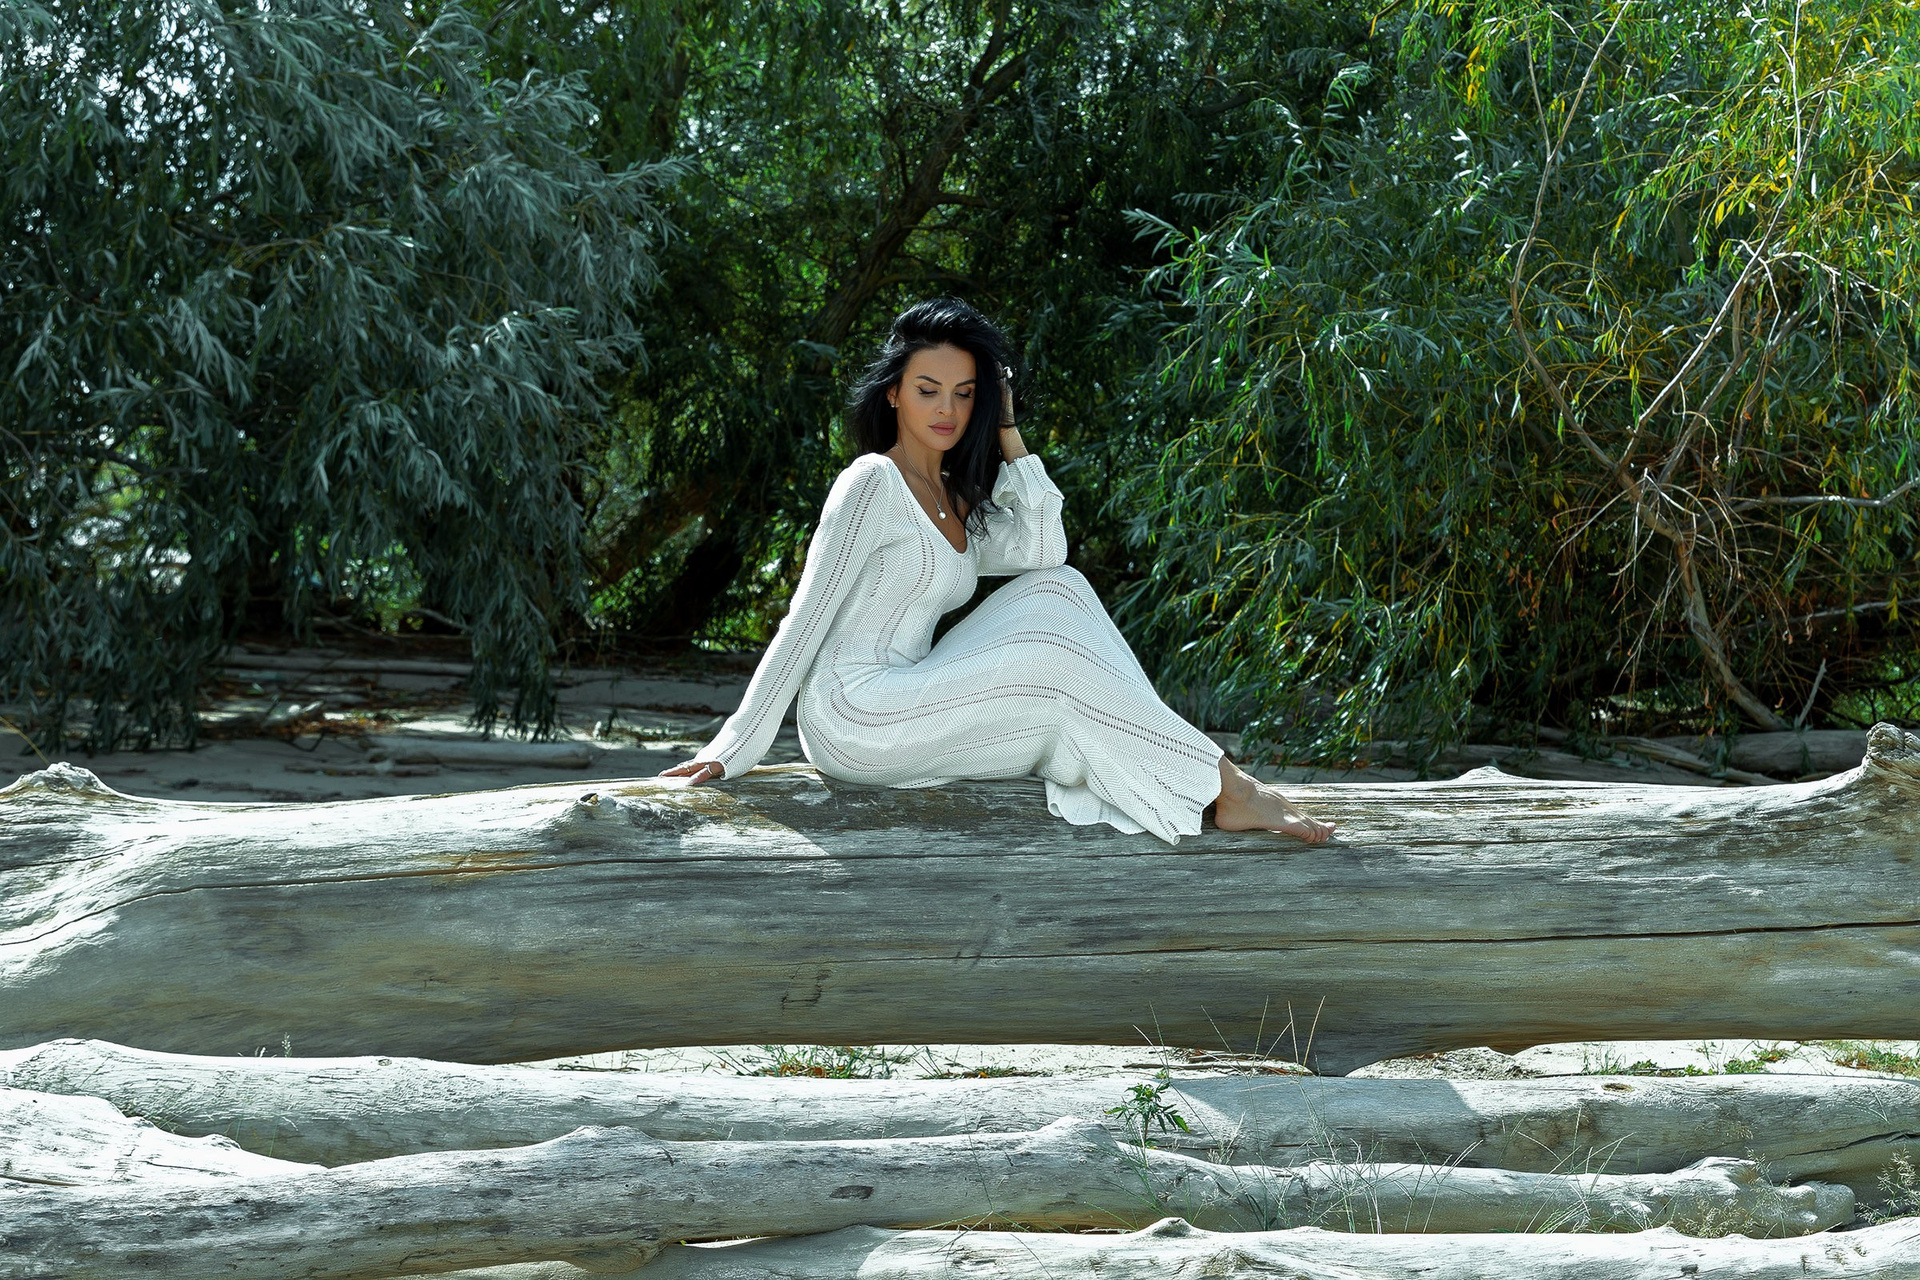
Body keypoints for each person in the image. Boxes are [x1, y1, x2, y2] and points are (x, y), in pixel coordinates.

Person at [662, 298, 1333, 845]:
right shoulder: (870, 483)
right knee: (1053, 664)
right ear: (893, 394)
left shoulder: (953, 499)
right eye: (927, 391)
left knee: (1061, 592)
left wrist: (1010, 431)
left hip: (917, 692)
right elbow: (804, 620)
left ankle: (1207, 782)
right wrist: (733, 747)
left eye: (965, 394)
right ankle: (1228, 786)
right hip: (854, 714)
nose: (946, 410)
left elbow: (1046, 551)